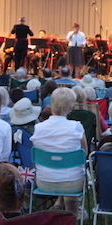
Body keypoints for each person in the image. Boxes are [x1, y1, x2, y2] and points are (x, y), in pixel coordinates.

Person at [30, 87, 87, 216]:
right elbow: (84, 153)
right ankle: (71, 220)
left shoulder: (38, 128)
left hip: (44, 181)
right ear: (70, 108)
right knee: (73, 173)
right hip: (72, 183)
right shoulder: (76, 127)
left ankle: (57, 213)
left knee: (66, 171)